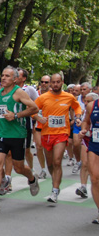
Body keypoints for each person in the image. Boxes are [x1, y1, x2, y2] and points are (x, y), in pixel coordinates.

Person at [0, 66, 40, 211]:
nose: (3, 78)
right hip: (0, 133)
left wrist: (16, 115)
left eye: (7, 76)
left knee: (18, 167)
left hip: (16, 135)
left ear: (14, 79)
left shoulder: (19, 93)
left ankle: (32, 178)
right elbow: (0, 111)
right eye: (2, 75)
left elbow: (34, 108)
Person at [35, 73, 82, 204]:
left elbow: (77, 106)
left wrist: (77, 117)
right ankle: (55, 180)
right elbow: (32, 108)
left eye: (58, 82)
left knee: (57, 161)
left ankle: (55, 190)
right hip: (46, 134)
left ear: (62, 83)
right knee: (50, 164)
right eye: (53, 82)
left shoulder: (68, 97)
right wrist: (38, 117)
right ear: (50, 84)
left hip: (61, 134)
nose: (55, 85)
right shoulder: (43, 97)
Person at [79, 92, 99, 222]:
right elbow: (86, 122)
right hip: (95, 143)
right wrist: (84, 130)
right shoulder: (92, 105)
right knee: (95, 178)